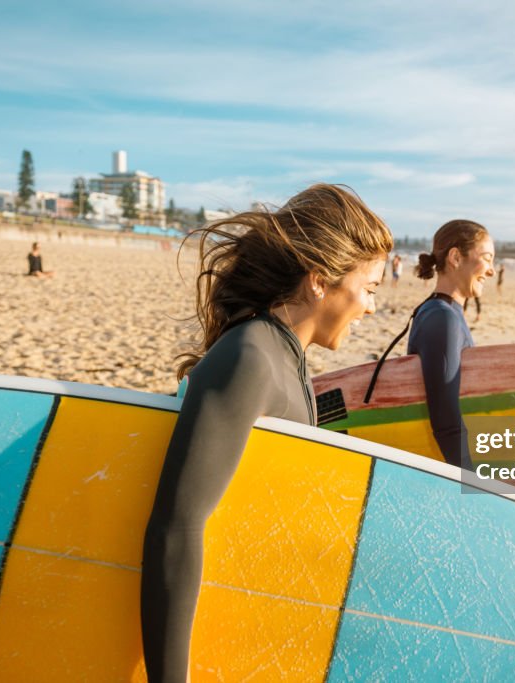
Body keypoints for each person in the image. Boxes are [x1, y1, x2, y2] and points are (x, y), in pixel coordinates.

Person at [140, 184, 392, 683]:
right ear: (320, 281)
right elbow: (176, 527)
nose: (369, 306)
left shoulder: (288, 361)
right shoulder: (250, 357)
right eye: (370, 288)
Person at [408, 219, 493, 471]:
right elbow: (447, 422)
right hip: (446, 467)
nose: (492, 270)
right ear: (456, 257)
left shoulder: (442, 312)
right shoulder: (442, 317)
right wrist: (472, 482)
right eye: (487, 258)